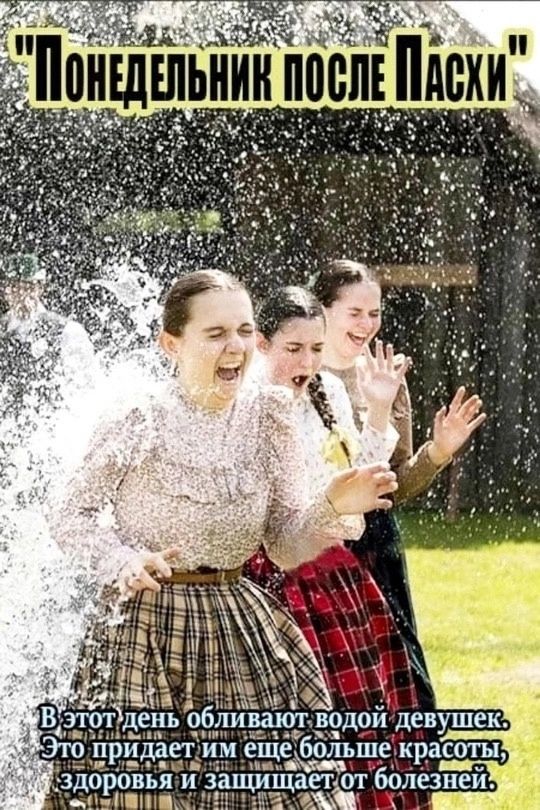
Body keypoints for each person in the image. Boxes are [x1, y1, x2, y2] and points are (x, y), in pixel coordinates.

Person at [42, 269, 399, 810]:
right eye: (215, 334)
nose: (234, 347)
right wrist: (121, 560)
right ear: (172, 344)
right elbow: (70, 515)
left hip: (241, 630)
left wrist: (332, 507)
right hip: (144, 637)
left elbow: (282, 543)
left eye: (243, 330)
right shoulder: (139, 418)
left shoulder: (268, 417)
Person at [244, 286, 432, 810]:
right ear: (261, 345)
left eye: (315, 349)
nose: (307, 361)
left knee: (357, 722)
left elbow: (364, 479)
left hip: (334, 578)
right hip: (267, 583)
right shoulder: (246, 404)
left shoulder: (328, 392)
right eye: (293, 349)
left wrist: (376, 411)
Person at [312, 260, 487, 715]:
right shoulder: (299, 375)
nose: (367, 325)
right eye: (355, 313)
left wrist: (438, 452)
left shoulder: (389, 376)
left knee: (400, 685)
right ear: (323, 310)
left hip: (376, 545)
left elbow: (393, 485)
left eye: (375, 313)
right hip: (316, 544)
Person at [0, 252, 96, 502]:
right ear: (5, 290)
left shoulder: (68, 332)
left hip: (47, 443)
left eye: (27, 286)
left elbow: (85, 394)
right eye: (13, 286)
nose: (21, 293)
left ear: (40, 287)